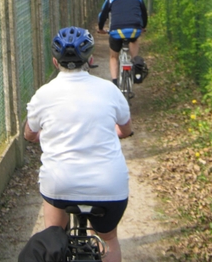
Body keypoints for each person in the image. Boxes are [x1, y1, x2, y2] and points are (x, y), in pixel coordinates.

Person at [23, 26, 133, 262]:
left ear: (55, 61)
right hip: (109, 186)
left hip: (60, 185)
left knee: (54, 235)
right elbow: (126, 129)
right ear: (90, 59)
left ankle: (58, 242)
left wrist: (48, 133)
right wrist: (113, 131)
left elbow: (30, 135)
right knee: (109, 239)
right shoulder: (110, 90)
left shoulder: (43, 94)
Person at [97, 0, 147, 85]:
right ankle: (135, 63)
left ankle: (115, 82)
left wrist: (101, 28)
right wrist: (143, 27)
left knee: (113, 57)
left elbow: (103, 15)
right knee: (134, 39)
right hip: (134, 30)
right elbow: (144, 14)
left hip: (116, 31)